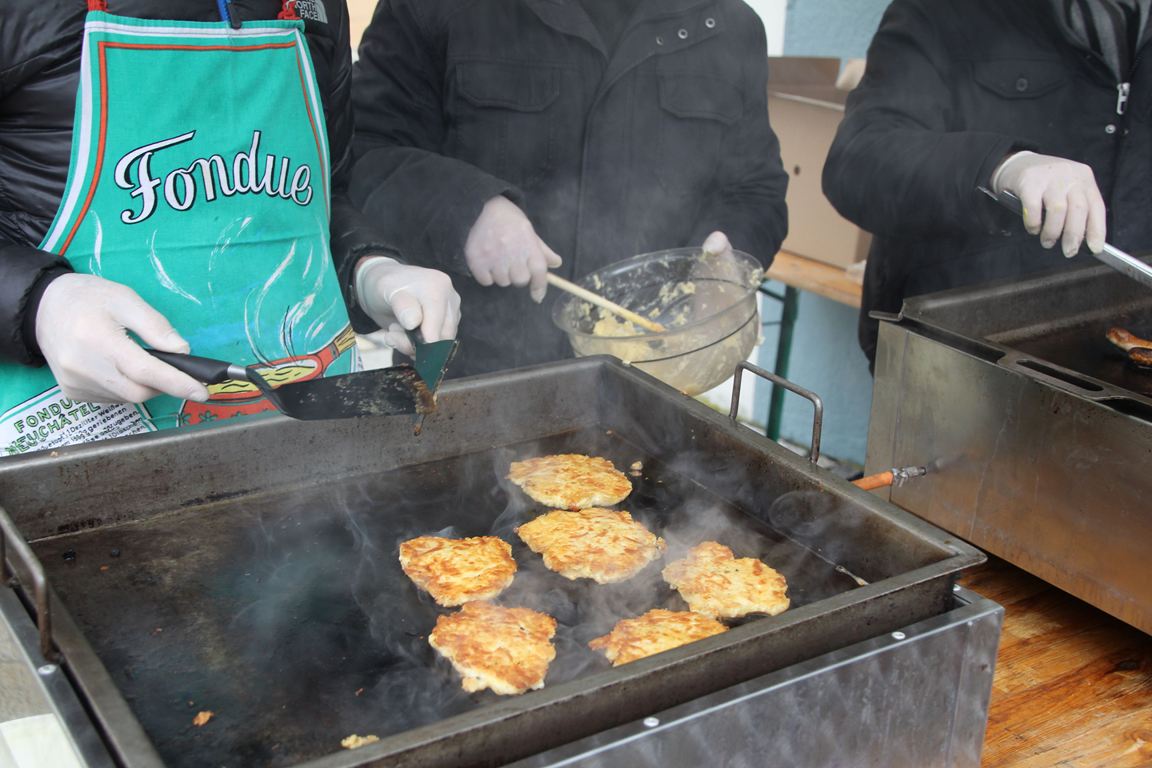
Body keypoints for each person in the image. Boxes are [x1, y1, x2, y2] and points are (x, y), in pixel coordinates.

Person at [0, 0, 461, 455]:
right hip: (80, 445)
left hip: (308, 439)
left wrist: (368, 267)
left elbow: (323, 193)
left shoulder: (317, 7)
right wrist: (41, 303)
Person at [350, 0, 789, 377]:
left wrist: (728, 266)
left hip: (651, 390)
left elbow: (754, 188)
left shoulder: (727, 25)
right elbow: (364, 151)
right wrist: (467, 209)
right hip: (466, 381)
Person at [822, 0, 1152, 367]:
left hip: (1125, 367)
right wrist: (999, 166)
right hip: (956, 358)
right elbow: (858, 160)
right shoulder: (947, 11)